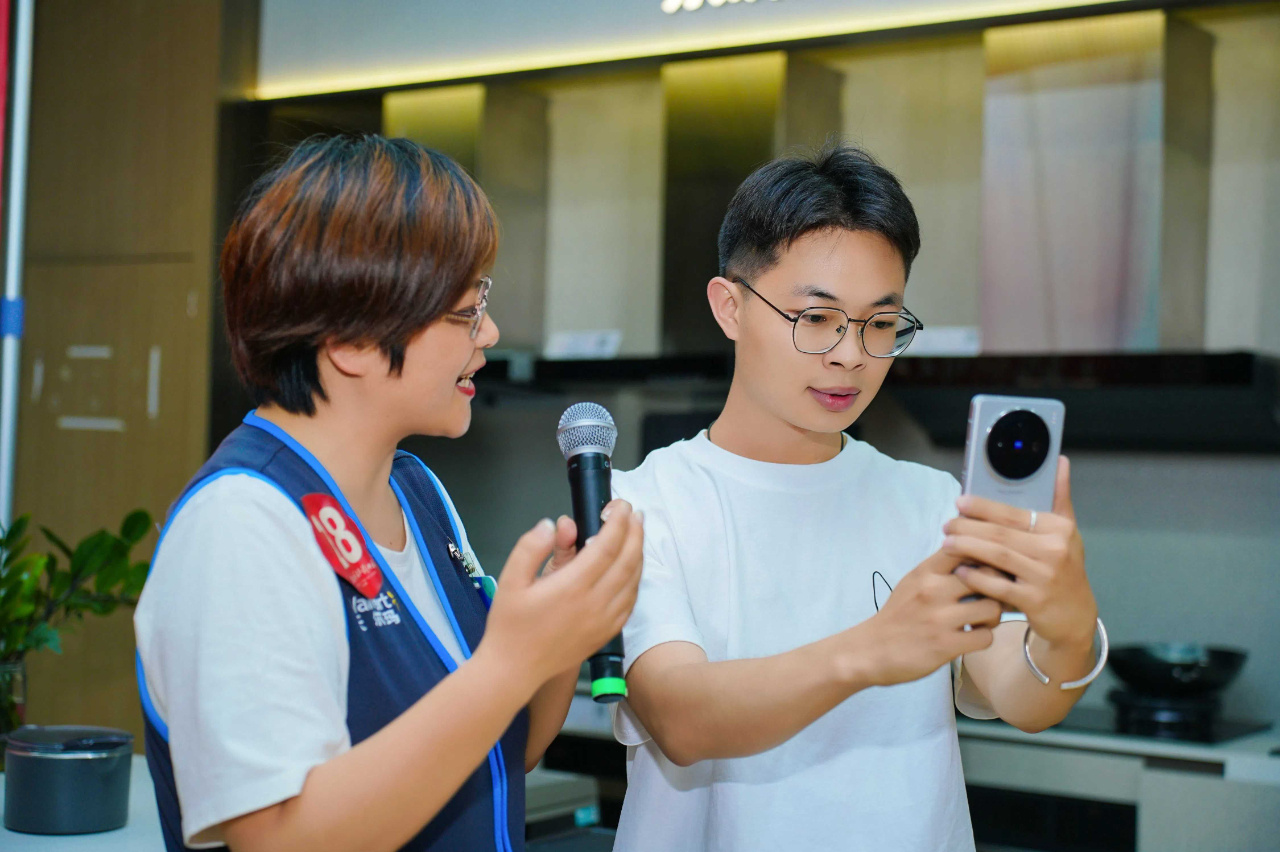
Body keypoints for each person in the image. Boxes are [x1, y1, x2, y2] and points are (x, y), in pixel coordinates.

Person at [134, 135, 643, 852]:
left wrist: (557, 636)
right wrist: (510, 662)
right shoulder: (239, 526)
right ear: (350, 339)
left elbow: (503, 749)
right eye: (466, 310)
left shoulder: (417, 490)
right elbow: (279, 839)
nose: (490, 333)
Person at [609, 144, 1105, 851]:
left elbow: (1026, 701)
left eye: (880, 324)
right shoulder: (638, 506)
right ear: (729, 307)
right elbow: (681, 719)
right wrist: (872, 648)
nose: (851, 355)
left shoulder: (932, 504)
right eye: (816, 318)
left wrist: (1069, 625)